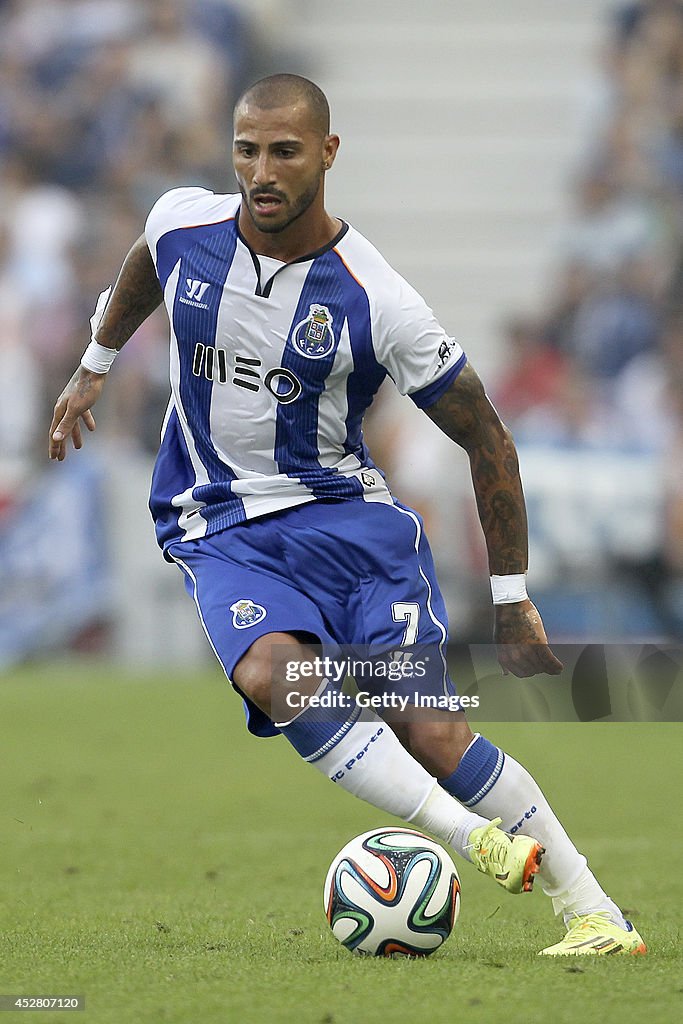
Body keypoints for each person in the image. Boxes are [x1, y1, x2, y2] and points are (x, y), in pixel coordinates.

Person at [48, 74, 646, 957]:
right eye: (247, 150)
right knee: (271, 677)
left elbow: (488, 439)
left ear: (327, 155)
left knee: (436, 730)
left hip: (350, 531)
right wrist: (96, 359)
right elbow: (144, 259)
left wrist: (513, 596)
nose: (261, 171)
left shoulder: (378, 301)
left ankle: (594, 914)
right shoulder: (184, 224)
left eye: (284, 152)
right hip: (222, 526)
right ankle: (464, 835)